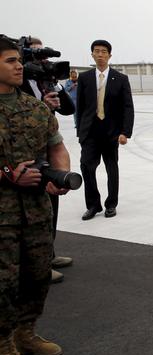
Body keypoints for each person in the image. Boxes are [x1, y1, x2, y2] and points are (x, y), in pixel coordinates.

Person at [0, 36, 71, 355]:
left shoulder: (34, 106)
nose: (19, 66)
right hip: (2, 213)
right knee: (4, 283)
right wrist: (6, 173)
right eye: (10, 61)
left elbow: (56, 146)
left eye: (19, 60)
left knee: (37, 274)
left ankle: (25, 333)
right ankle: (3, 343)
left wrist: (60, 176)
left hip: (36, 209)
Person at [18, 37, 75, 284]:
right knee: (31, 211)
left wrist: (57, 87)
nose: (43, 59)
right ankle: (34, 263)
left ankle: (48, 253)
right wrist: (42, 105)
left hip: (48, 149)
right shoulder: (17, 83)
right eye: (36, 55)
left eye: (45, 55)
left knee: (51, 204)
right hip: (25, 155)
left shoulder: (46, 81)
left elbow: (69, 109)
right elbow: (18, 116)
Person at [76, 40, 134, 220]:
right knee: (86, 167)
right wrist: (80, 131)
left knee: (111, 169)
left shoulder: (121, 79)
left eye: (103, 51)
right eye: (96, 51)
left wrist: (125, 132)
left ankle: (111, 204)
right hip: (90, 132)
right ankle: (93, 205)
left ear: (109, 55)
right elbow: (81, 106)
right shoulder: (84, 78)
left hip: (112, 133)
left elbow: (127, 107)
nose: (100, 54)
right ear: (92, 54)